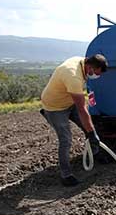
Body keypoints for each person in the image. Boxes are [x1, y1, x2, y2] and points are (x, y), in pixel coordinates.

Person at [40, 54, 108, 186]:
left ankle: (95, 153)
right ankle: (66, 175)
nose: (96, 76)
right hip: (54, 107)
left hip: (69, 101)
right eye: (96, 73)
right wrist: (92, 134)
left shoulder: (81, 62)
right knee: (66, 139)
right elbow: (82, 109)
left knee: (87, 127)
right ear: (89, 67)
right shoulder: (73, 76)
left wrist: (90, 131)